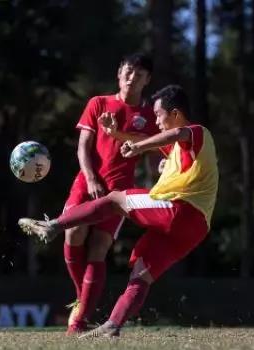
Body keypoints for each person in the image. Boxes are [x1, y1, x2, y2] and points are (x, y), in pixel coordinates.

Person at [19, 85, 218, 338]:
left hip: (180, 211)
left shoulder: (196, 132)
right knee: (141, 273)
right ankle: (113, 325)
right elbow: (157, 143)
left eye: (158, 115)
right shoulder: (181, 148)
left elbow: (175, 134)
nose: (155, 121)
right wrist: (118, 134)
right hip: (193, 230)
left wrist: (139, 148)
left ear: (176, 113)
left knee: (115, 199)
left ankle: (54, 225)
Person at [62, 53, 159, 334]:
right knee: (73, 233)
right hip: (87, 181)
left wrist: (158, 183)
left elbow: (152, 155)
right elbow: (83, 146)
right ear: (119, 73)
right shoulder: (99, 103)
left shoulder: (150, 116)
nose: (133, 78)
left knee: (99, 247)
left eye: (140, 75)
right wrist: (91, 177)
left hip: (120, 191)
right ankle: (83, 298)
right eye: (129, 72)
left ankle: (78, 322)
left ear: (147, 81)